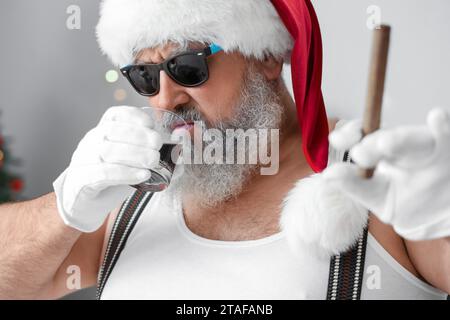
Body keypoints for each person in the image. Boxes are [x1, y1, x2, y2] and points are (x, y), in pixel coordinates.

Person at [0, 0, 448, 300]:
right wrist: (63, 207)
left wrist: (442, 218)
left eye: (188, 67)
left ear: (266, 56)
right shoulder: (127, 196)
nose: (163, 99)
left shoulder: (379, 184)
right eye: (144, 75)